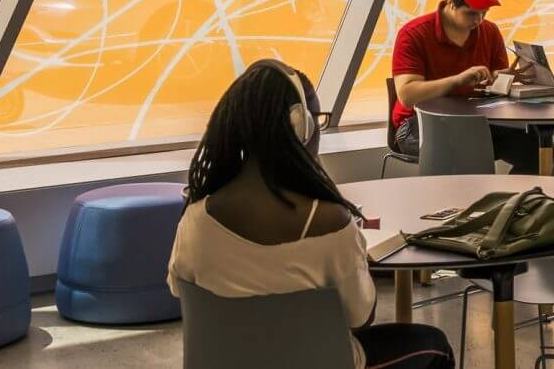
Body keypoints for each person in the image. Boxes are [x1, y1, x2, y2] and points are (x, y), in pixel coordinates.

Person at [168, 61, 454, 369]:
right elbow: (361, 317)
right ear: (300, 126)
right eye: (317, 119)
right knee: (434, 345)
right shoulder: (330, 224)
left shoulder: (195, 220)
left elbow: (178, 288)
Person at [390, 0, 538, 172]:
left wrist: (501, 79)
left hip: (476, 121)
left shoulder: (490, 32)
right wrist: (457, 81)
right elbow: (407, 95)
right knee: (468, 147)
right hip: (419, 123)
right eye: (471, 13)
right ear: (450, 3)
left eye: (484, 12)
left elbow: (497, 88)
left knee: (536, 147)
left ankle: (513, 203)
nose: (478, 20)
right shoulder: (414, 34)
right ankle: (472, 203)